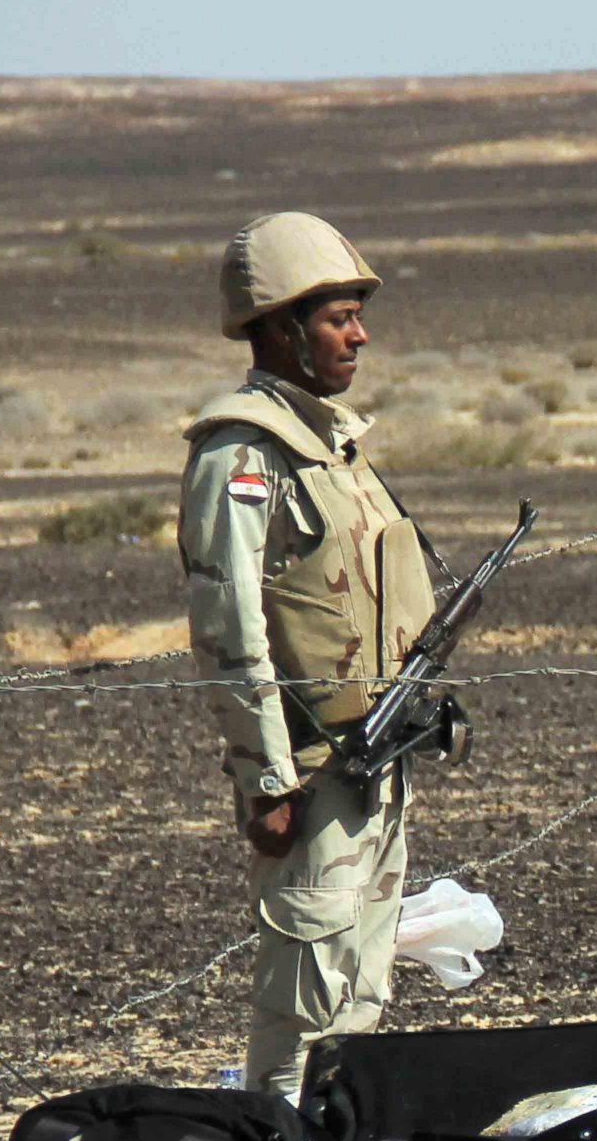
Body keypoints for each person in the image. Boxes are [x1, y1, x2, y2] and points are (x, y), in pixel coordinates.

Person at [178, 213, 436, 1096]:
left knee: (360, 997)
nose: (358, 334)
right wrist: (266, 780)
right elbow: (229, 628)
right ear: (279, 327)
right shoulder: (242, 452)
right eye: (336, 317)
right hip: (313, 774)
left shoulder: (337, 447)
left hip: (379, 766)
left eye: (358, 314)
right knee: (302, 1005)